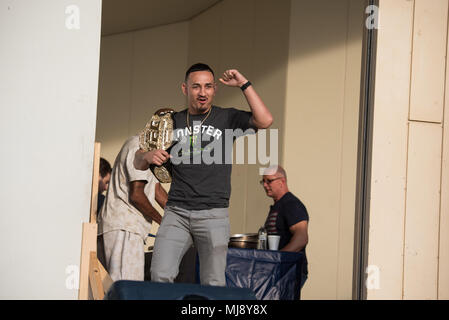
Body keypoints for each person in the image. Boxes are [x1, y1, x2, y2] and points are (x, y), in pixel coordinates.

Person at [134, 63, 273, 286]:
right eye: (196, 86)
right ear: (185, 89)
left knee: (213, 282)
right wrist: (147, 155)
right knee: (159, 275)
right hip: (176, 213)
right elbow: (138, 163)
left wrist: (243, 84)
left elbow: (265, 120)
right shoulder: (173, 121)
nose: (202, 92)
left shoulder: (227, 118)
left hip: (213, 214)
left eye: (208, 86)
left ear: (214, 90)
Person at [97, 135, 168, 281]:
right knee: (126, 287)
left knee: (113, 288)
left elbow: (157, 190)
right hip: (125, 227)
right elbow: (137, 195)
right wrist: (164, 221)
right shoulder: (138, 146)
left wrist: (181, 217)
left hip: (125, 228)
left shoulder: (151, 153)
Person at [261, 165, 309, 288]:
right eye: (263, 181)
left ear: (282, 181)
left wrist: (277, 259)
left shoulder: (291, 204)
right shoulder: (279, 205)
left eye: (269, 181)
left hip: (289, 272)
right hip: (280, 271)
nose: (265, 185)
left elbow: (301, 238)